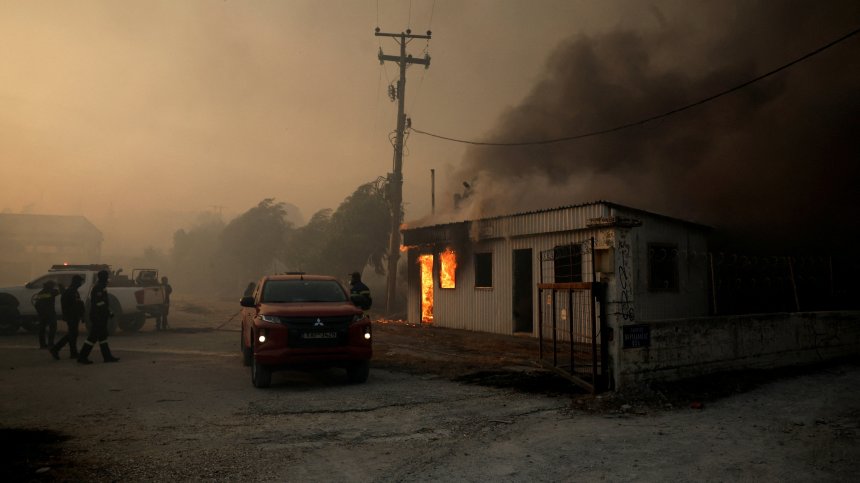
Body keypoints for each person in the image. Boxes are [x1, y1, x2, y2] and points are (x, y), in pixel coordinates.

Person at [77, 270, 119, 364]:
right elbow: (98, 303)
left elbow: (103, 302)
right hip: (98, 317)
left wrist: (108, 311)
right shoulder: (98, 288)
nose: (107, 279)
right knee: (92, 338)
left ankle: (107, 357)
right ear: (103, 278)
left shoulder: (101, 287)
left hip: (100, 316)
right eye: (106, 277)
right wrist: (107, 311)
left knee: (102, 338)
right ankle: (82, 357)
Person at [50, 275, 85, 360]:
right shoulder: (70, 292)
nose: (81, 283)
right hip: (71, 316)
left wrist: (81, 314)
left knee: (73, 334)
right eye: (80, 281)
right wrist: (67, 315)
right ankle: (56, 349)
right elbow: (66, 305)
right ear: (76, 282)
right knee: (72, 334)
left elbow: (78, 304)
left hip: (74, 316)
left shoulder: (74, 291)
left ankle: (73, 352)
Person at [33, 280, 60, 349]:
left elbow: (37, 303)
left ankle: (42, 345)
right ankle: (50, 343)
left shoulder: (41, 293)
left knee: (42, 329)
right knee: (52, 328)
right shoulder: (52, 292)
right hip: (50, 313)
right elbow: (56, 292)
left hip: (42, 314)